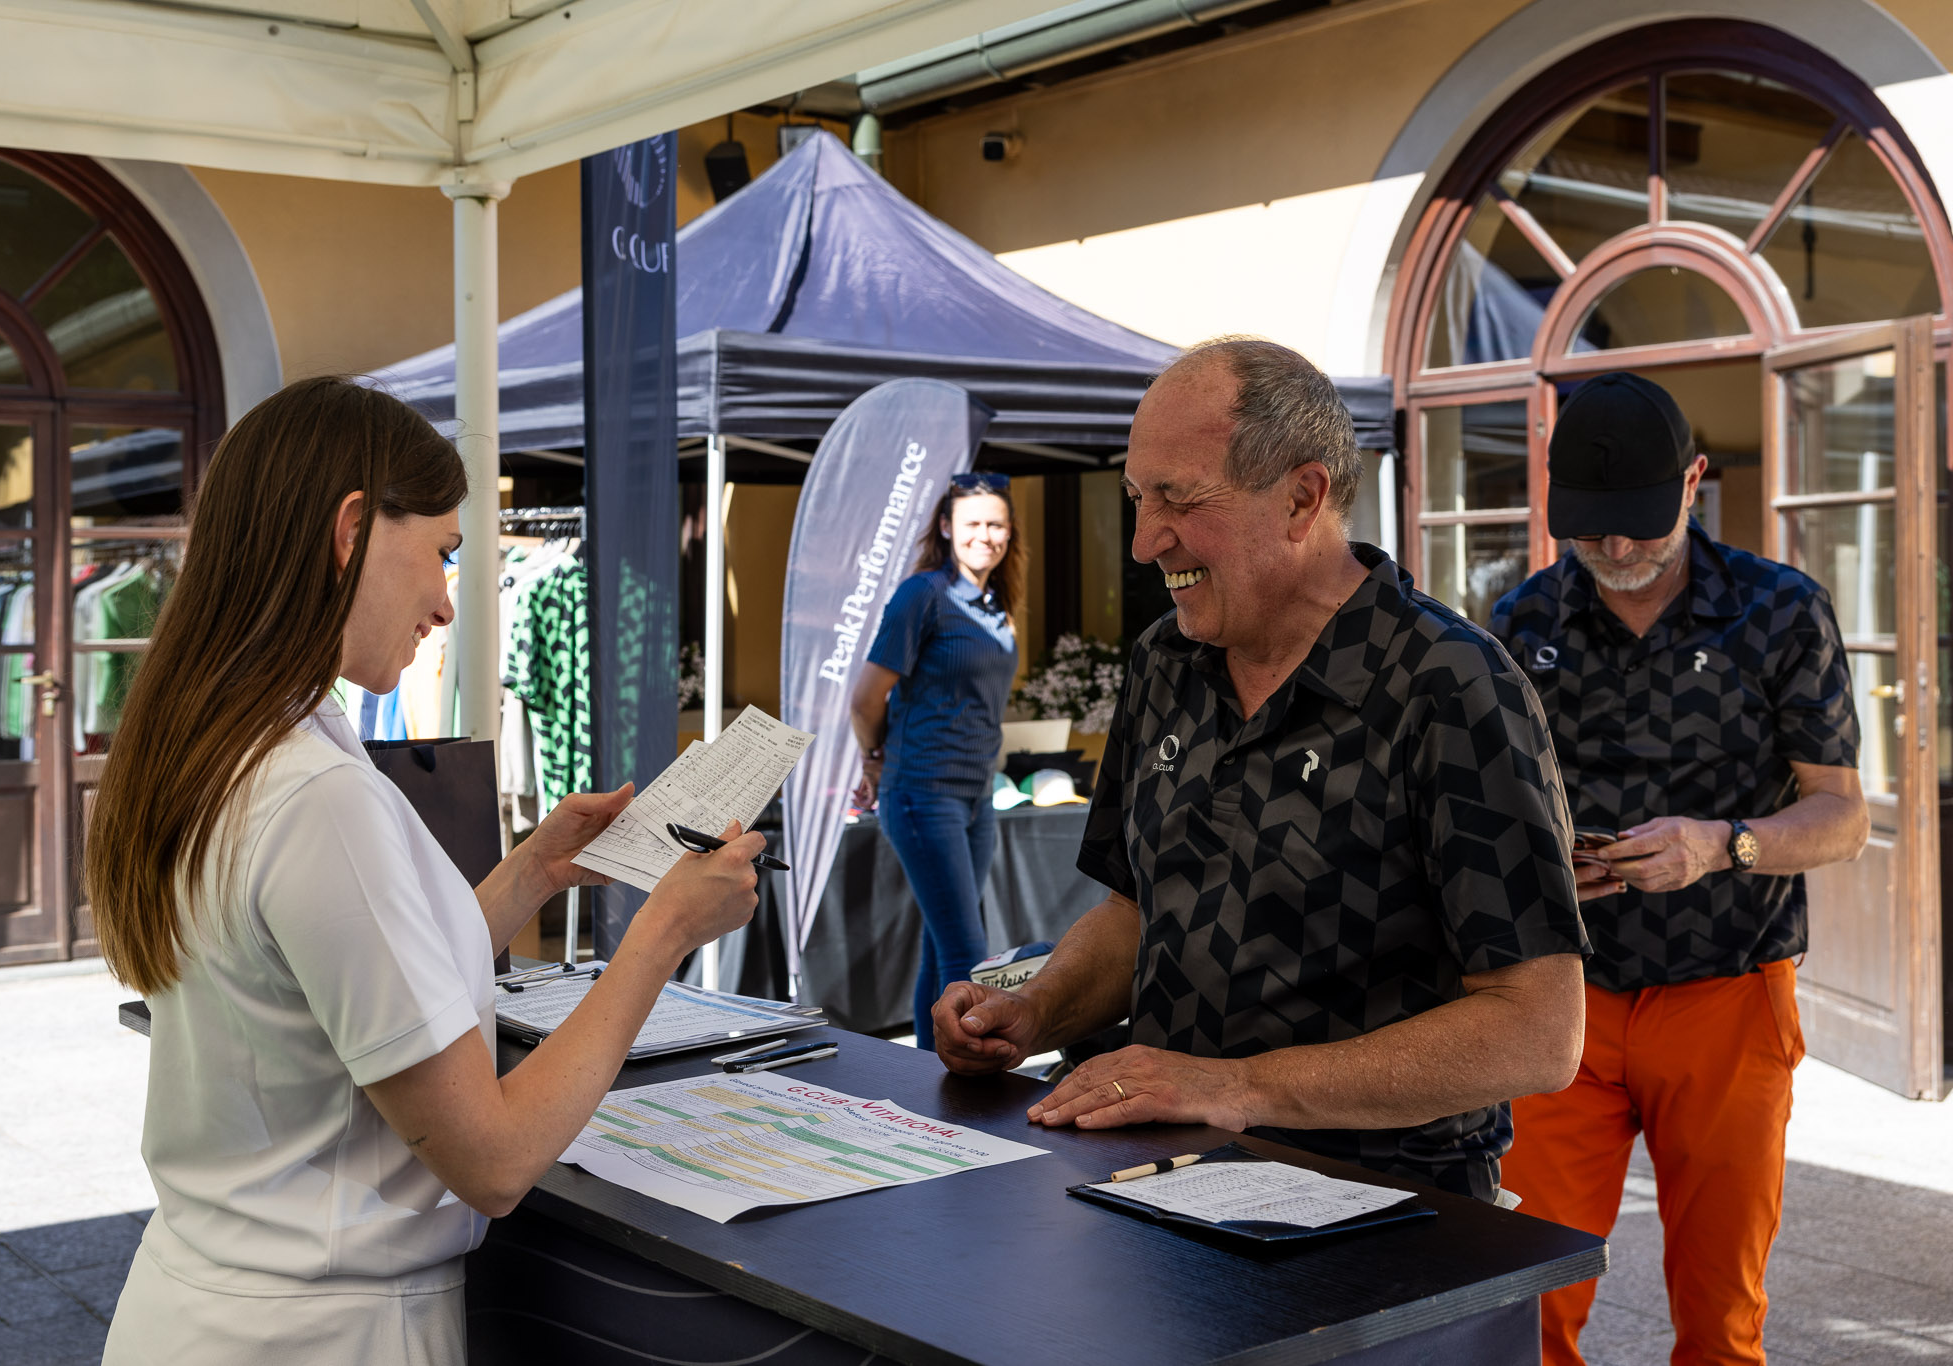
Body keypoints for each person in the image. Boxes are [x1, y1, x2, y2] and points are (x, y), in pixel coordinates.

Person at [87, 377, 765, 1364]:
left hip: (201, 1306)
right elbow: (493, 1159)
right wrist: (663, 933)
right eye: (443, 554)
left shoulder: (225, 741)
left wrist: (532, 871)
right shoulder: (316, 791)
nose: (447, 604)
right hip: (319, 1335)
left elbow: (352, 983)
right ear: (351, 529)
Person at [933, 338, 1589, 1200]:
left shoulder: (1450, 683)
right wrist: (1034, 1011)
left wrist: (1236, 1088)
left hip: (1380, 1206)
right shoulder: (1165, 660)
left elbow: (1537, 1031)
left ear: (1301, 498)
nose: (1144, 542)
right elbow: (1139, 912)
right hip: (1160, 1174)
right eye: (1137, 498)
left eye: (1178, 498)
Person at [1488, 372, 1868, 1366]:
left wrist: (1721, 844)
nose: (1616, 548)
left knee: (1720, 1310)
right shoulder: (1518, 622)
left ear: (1693, 482)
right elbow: (1481, 812)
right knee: (1524, 1301)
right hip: (1560, 995)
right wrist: (1536, 863)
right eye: (1589, 527)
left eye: (1638, 523)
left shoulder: (1780, 610)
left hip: (1727, 992)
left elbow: (1841, 814)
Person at [850, 470, 1024, 1038]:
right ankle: (971, 1076)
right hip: (923, 794)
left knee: (941, 942)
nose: (985, 535)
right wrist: (874, 759)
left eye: (996, 524)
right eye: (972, 523)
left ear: (1009, 532)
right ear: (946, 527)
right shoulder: (923, 594)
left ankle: (932, 1072)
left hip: (976, 796)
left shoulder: (995, 604)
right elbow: (865, 699)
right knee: (966, 953)